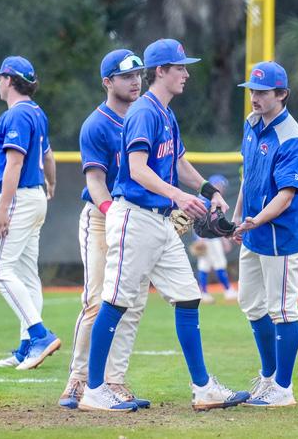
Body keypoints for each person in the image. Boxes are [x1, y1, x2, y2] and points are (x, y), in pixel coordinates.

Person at [78, 38, 248, 412]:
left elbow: (181, 163)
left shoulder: (165, 113)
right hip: (134, 217)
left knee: (188, 296)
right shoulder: (144, 112)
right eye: (180, 67)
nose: (186, 73)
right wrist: (178, 196)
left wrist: (207, 189)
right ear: (162, 71)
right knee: (115, 300)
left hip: (159, 223)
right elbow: (137, 170)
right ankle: (93, 389)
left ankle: (203, 388)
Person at [59, 49, 150, 410]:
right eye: (126, 75)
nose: (135, 81)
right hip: (103, 217)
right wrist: (114, 214)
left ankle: (114, 381)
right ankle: (77, 381)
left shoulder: (148, 117)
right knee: (97, 301)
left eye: (138, 74)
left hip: (141, 219)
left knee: (132, 303)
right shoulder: (96, 124)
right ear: (107, 82)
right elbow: (96, 181)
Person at [231, 61, 298, 407]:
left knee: (282, 309)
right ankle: (268, 378)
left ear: (282, 94)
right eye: (252, 90)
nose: (254, 97)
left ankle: (283, 388)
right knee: (250, 302)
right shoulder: (251, 125)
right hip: (254, 231)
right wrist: (236, 218)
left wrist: (255, 220)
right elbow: (248, 177)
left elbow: (286, 195)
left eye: (262, 92)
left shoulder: (291, 137)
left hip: (281, 236)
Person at [0, 56, 60, 371]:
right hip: (34, 196)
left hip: (17, 198)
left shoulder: (16, 115)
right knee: (27, 276)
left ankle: (39, 335)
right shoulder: (36, 112)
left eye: (1, 77)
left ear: (9, 79)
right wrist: (51, 184)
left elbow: (14, 164)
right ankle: (27, 348)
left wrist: (3, 208)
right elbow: (48, 155)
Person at [192, 174, 238, 304]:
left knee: (204, 265)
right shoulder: (210, 198)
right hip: (210, 238)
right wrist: (223, 238)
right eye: (219, 185)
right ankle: (228, 290)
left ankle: (204, 292)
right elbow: (212, 220)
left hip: (204, 236)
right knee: (219, 263)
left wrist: (197, 237)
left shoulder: (203, 197)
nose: (221, 188)